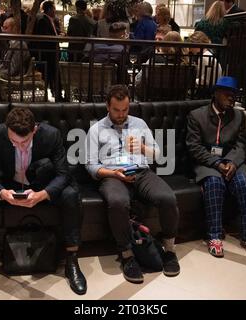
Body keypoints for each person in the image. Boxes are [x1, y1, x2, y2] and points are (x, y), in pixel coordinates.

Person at [0, 107, 87, 295]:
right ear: (7, 130)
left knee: (70, 194)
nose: (19, 146)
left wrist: (43, 194)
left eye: (24, 141)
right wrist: (2, 193)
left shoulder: (51, 135)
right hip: (11, 184)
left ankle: (71, 260)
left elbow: (63, 174)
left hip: (42, 184)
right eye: (13, 141)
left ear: (34, 130)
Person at [85, 84, 180, 283]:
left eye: (125, 110)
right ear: (107, 106)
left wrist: (144, 148)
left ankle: (169, 250)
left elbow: (158, 155)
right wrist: (112, 173)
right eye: (116, 110)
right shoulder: (96, 129)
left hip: (141, 171)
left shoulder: (139, 124)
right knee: (118, 201)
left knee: (168, 197)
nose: (121, 115)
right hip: (113, 174)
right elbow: (91, 165)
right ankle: (127, 255)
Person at [186, 76, 246, 260]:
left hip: (232, 162)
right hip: (208, 163)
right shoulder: (196, 116)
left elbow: (241, 145)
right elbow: (194, 148)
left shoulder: (238, 116)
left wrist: (233, 163)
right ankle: (213, 236)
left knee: (245, 184)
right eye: (227, 94)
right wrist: (217, 163)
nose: (231, 98)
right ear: (216, 94)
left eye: (234, 95)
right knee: (214, 183)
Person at [187, 31, 223, 97]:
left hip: (207, 91)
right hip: (212, 89)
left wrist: (190, 82)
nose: (190, 50)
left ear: (196, 45)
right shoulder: (208, 55)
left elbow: (204, 81)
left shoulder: (204, 57)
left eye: (191, 46)